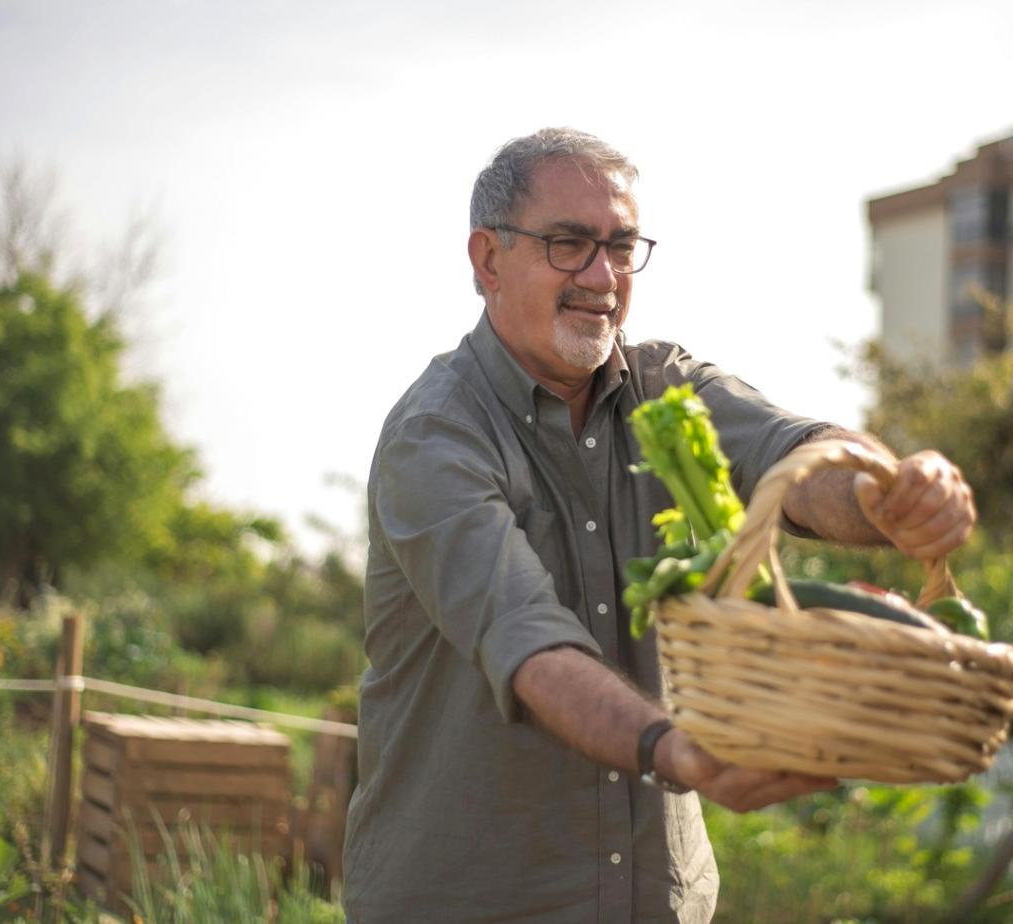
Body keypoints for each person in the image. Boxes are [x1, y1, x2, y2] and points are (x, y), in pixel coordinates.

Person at [342, 127, 977, 924]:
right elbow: (526, 638)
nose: (602, 276)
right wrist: (668, 746)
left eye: (620, 245)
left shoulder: (666, 390)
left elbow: (799, 454)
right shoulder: (437, 435)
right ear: (487, 259)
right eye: (569, 244)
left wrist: (887, 495)